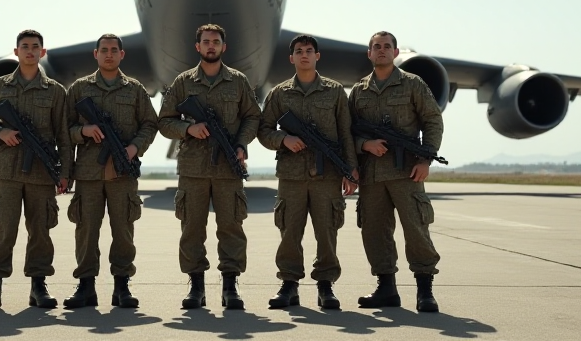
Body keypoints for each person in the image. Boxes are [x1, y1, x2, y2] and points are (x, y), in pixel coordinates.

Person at [157, 24, 261, 310]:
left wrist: (241, 144)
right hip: (193, 169)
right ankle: (196, 287)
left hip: (229, 168)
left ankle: (230, 287)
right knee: (192, 228)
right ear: (198, 47)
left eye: (216, 42)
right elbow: (164, 121)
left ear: (224, 47)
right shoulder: (183, 82)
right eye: (206, 42)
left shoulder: (238, 81)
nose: (211, 46)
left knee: (231, 227)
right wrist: (188, 129)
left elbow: (253, 117)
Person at [257, 34, 358, 310]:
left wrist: (350, 170)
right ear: (291, 58)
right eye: (299, 51)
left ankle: (325, 286)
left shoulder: (335, 91)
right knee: (289, 232)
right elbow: (263, 131)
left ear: (317, 56)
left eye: (309, 51)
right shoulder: (279, 93)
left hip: (327, 176)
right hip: (291, 176)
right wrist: (284, 140)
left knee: (327, 232)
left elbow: (346, 134)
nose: (304, 55)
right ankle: (289, 284)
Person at [0, 29, 73, 310]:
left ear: (43, 52)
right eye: (25, 46)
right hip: (6, 170)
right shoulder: (0, 87)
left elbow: (63, 136)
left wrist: (64, 172)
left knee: (40, 231)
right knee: (3, 230)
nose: (30, 51)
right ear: (16, 51)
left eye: (35, 47)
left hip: (41, 172)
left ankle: (38, 286)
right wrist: (0, 133)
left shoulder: (55, 91)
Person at [348, 31, 443, 313]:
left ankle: (425, 291)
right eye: (376, 47)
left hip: (407, 173)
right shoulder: (358, 91)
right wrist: (365, 144)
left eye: (386, 47)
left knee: (416, 230)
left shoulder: (413, 84)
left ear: (395, 52)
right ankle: (386, 289)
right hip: (372, 175)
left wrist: (426, 160)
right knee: (375, 232)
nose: (381, 51)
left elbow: (432, 121)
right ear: (369, 53)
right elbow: (346, 132)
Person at [62, 34, 159, 309]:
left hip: (122, 173)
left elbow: (150, 124)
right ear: (95, 54)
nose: (108, 55)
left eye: (113, 50)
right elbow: (64, 130)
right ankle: (85, 287)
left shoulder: (135, 89)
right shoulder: (80, 89)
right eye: (103, 50)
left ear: (121, 55)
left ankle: (122, 287)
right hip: (89, 174)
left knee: (123, 232)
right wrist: (84, 131)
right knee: (86, 232)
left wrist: (133, 148)